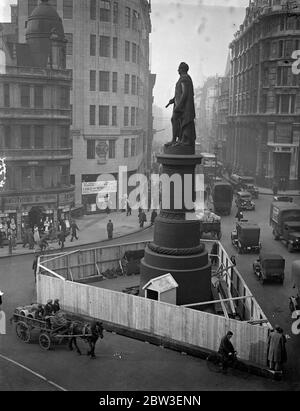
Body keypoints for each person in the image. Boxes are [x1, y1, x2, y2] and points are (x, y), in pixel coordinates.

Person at [165, 62, 196, 147]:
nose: (177, 70)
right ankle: (178, 139)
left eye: (179, 68)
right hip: (181, 105)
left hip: (183, 107)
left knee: (174, 119)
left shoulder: (185, 78)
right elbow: (180, 93)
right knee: (176, 120)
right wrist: (173, 100)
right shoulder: (184, 78)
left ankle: (176, 140)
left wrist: (179, 106)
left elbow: (185, 93)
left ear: (182, 69)